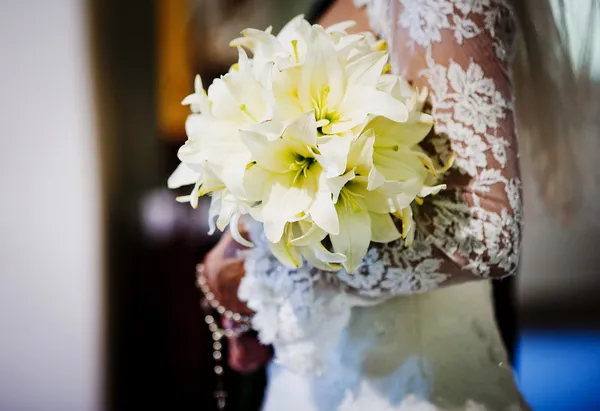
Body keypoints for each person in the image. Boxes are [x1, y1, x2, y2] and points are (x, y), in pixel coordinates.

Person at [201, 0, 597, 409]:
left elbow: (487, 231)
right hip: (317, 380)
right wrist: (257, 243)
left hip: (412, 385)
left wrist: (269, 273)